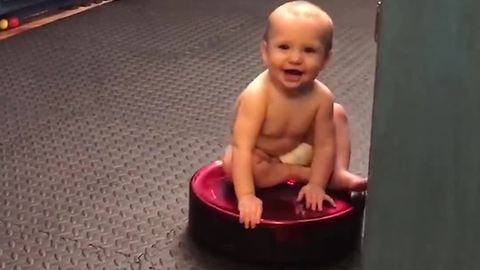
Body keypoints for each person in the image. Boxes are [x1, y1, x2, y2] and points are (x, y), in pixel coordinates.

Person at [222, 0, 367, 229]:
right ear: (265, 52)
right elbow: (242, 147)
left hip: (299, 147)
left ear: (326, 59)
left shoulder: (322, 97)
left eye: (309, 50)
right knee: (233, 163)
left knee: (336, 114)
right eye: (284, 47)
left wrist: (317, 185)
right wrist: (247, 196)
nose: (295, 58)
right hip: (264, 159)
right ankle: (299, 173)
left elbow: (325, 145)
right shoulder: (257, 96)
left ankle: (335, 173)